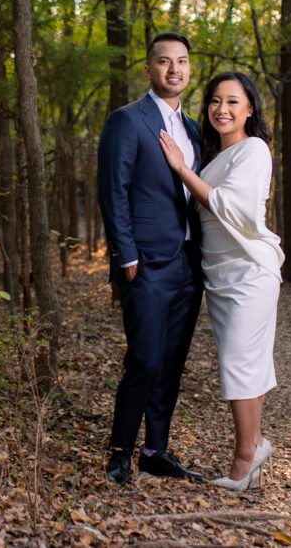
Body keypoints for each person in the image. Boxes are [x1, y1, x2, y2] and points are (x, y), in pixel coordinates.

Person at [158, 71, 284, 490]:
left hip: (249, 271)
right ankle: (256, 443)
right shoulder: (213, 157)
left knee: (238, 365)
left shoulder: (255, 150)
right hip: (221, 274)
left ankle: (245, 458)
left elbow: (231, 207)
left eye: (232, 101)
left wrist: (180, 170)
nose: (222, 109)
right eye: (215, 100)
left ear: (250, 108)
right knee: (247, 363)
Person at [97, 32, 207, 485]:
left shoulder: (196, 129)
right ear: (148, 69)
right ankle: (120, 453)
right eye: (164, 62)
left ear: (189, 68)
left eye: (181, 61)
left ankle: (155, 450)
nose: (174, 69)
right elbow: (112, 191)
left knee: (172, 360)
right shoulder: (127, 120)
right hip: (143, 263)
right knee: (144, 357)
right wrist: (124, 253)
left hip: (187, 262)